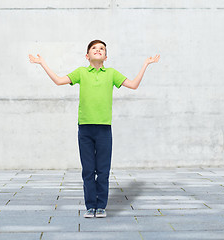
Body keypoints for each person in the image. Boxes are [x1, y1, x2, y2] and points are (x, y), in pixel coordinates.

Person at [29, 40, 160, 218]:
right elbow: (59, 81)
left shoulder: (111, 73)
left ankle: (101, 207)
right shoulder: (81, 72)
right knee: (88, 170)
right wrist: (42, 63)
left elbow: (134, 85)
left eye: (102, 49)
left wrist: (145, 64)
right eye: (94, 48)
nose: (98, 50)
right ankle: (91, 206)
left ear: (106, 56)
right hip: (85, 128)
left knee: (103, 171)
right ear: (87, 55)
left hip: (104, 129)